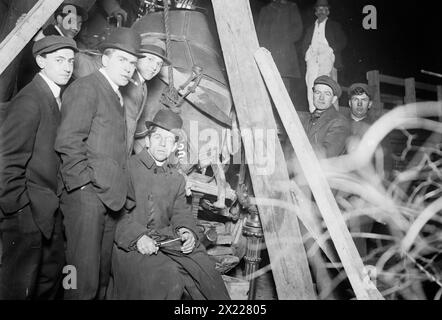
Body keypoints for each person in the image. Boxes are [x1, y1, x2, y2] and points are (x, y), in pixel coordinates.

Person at [54, 27, 143, 300]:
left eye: (133, 63)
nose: (129, 69)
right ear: (105, 59)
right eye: (122, 60)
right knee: (79, 280)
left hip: (109, 199)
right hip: (86, 199)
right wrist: (83, 190)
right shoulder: (86, 88)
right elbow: (68, 142)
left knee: (100, 278)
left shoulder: (115, 94)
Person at [109, 109, 230, 300]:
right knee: (167, 276)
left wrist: (186, 231)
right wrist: (138, 237)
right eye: (157, 137)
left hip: (167, 241)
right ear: (148, 140)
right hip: (132, 244)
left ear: (175, 147)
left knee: (207, 272)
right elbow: (116, 214)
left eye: (169, 139)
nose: (162, 144)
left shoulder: (176, 179)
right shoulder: (128, 168)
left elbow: (181, 212)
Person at [0, 36, 78, 299]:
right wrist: (20, 212)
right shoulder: (30, 101)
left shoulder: (54, 97)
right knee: (17, 289)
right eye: (59, 60)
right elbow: (5, 162)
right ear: (41, 61)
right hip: (27, 215)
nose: (67, 67)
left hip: (48, 211)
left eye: (70, 60)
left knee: (49, 280)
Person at [121, 36, 171, 155]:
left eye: (159, 64)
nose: (154, 67)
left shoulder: (143, 85)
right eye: (150, 59)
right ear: (137, 57)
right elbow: (125, 127)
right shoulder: (128, 82)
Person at [302, 0, 347, 113]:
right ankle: (313, 113)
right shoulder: (310, 28)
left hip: (326, 55)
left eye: (324, 9)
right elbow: (304, 44)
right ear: (316, 12)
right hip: (313, 57)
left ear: (328, 11)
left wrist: (333, 49)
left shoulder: (334, 25)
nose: (321, 12)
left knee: (326, 85)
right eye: (319, 9)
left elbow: (343, 40)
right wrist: (307, 54)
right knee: (311, 84)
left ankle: (330, 115)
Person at [256, 0, 303, 103]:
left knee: (284, 88)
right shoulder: (266, 9)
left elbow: (298, 30)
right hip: (268, 54)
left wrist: (284, 40)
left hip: (284, 57)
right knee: (266, 85)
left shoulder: (292, 8)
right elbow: (259, 32)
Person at [302, 75, 350, 159]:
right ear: (313, 95)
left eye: (327, 94)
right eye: (318, 92)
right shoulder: (305, 120)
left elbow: (326, 154)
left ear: (334, 99)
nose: (321, 98)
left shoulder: (339, 122)